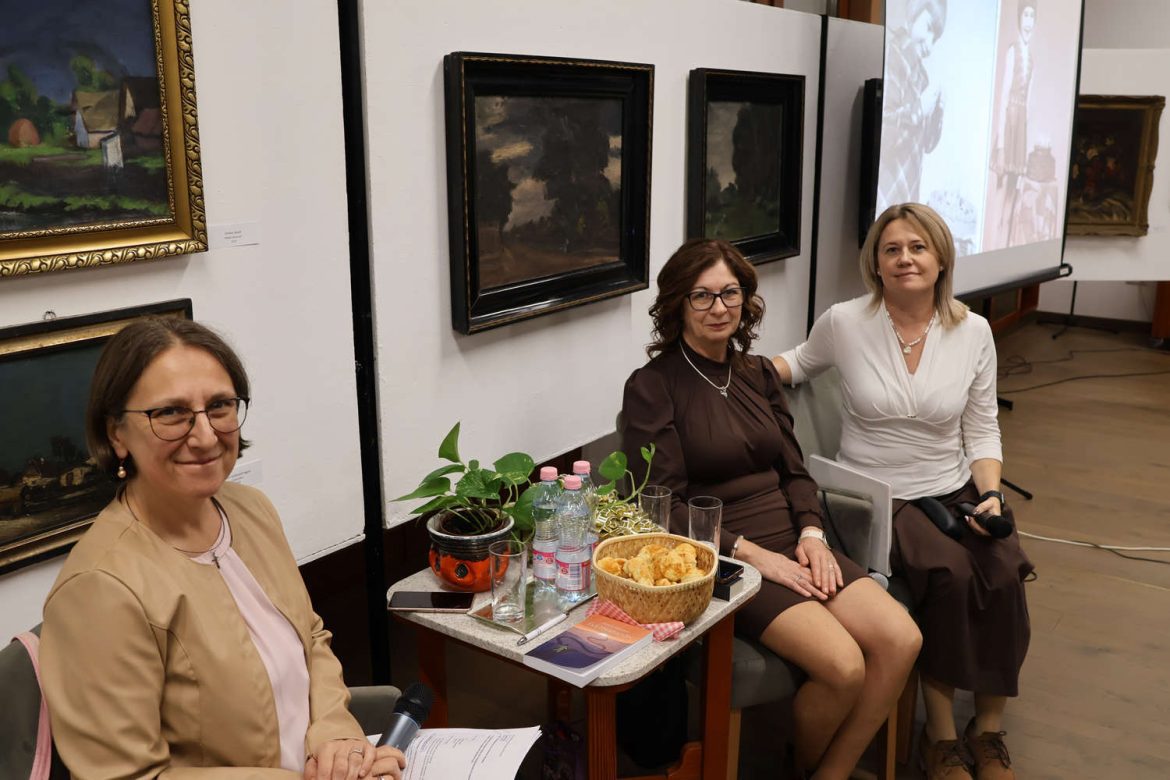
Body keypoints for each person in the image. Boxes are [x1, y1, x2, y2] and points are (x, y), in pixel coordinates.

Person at [39, 318, 406, 780]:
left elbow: (310, 637)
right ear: (116, 433)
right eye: (170, 413)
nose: (206, 436)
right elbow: (128, 777)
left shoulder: (251, 510)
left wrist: (338, 740)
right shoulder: (98, 589)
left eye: (219, 406)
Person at [620, 239, 921, 780]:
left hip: (793, 539)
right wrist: (756, 557)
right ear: (677, 305)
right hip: (726, 558)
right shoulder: (653, 386)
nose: (719, 308)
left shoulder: (757, 373)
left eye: (730, 293)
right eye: (702, 296)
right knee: (843, 667)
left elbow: (795, 472)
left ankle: (828, 773)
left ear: (745, 298)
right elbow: (662, 508)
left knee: (903, 639)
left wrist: (812, 535)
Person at [774, 203, 1033, 780]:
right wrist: (722, 371)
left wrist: (990, 495)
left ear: (941, 259)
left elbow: (982, 428)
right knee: (952, 573)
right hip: (874, 499)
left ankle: (987, 730)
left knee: (1004, 570)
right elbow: (796, 364)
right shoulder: (845, 321)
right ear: (876, 263)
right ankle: (937, 737)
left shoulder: (973, 331)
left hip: (953, 488)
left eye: (918, 247)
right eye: (891, 249)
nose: (905, 258)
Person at [879, 0, 947, 207]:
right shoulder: (890, 55)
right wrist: (919, 109)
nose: (930, 45)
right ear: (913, 13)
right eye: (928, 27)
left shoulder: (923, 77)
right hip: (884, 202)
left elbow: (927, 145)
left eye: (936, 38)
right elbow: (883, 135)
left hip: (907, 200)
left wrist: (938, 112)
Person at [991, 0, 1037, 240]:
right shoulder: (1013, 51)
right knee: (1001, 187)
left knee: (1013, 189)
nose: (1028, 21)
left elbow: (1028, 103)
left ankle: (1004, 244)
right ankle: (993, 237)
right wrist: (1001, 144)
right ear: (1019, 18)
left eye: (1032, 16)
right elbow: (1003, 96)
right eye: (1025, 15)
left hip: (1021, 129)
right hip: (1009, 124)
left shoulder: (1032, 59)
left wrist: (1026, 147)